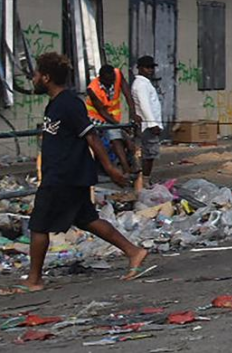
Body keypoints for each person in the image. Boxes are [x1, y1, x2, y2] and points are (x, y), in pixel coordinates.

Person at [6, 53, 148, 293]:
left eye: (37, 74)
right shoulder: (57, 103)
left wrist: (111, 168)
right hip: (67, 173)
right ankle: (134, 251)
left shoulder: (69, 103)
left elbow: (91, 136)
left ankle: (34, 280)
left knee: (39, 225)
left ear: (47, 77)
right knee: (87, 219)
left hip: (64, 174)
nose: (34, 79)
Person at [86, 64, 142, 191]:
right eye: (108, 80)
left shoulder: (117, 74)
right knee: (115, 136)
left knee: (125, 140)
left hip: (112, 117)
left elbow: (127, 93)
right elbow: (102, 111)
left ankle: (130, 167)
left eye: (112, 79)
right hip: (95, 118)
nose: (111, 82)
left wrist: (133, 113)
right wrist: (120, 127)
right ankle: (125, 170)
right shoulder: (92, 88)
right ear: (101, 78)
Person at [131, 56, 162, 187]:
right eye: (147, 67)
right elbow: (145, 106)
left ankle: (145, 179)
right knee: (148, 154)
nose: (150, 70)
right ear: (139, 68)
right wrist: (152, 123)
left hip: (148, 124)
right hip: (147, 125)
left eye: (151, 68)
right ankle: (144, 181)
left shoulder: (144, 83)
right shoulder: (141, 84)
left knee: (149, 154)